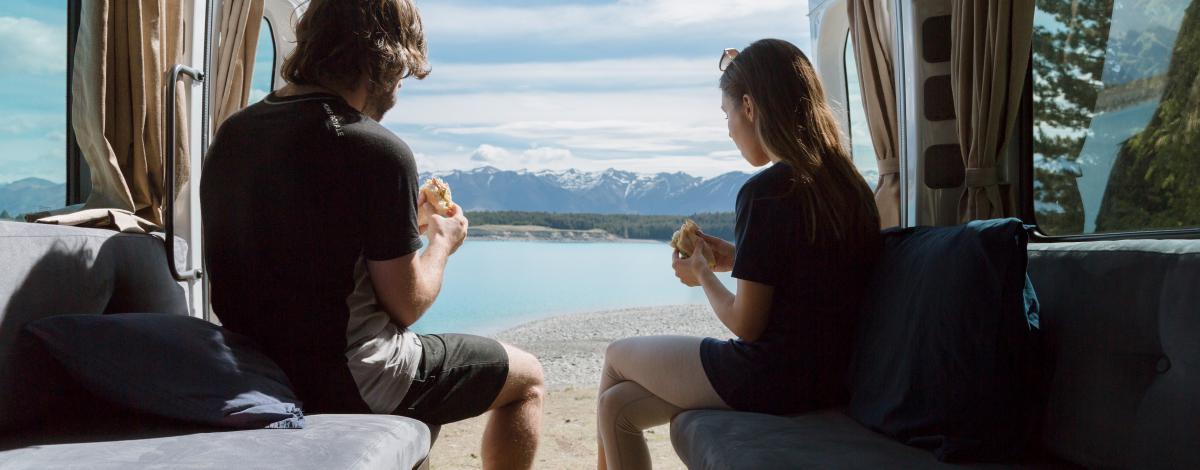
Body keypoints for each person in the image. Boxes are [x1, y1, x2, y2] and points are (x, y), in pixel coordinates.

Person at [200, 1, 543, 468]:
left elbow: (304, 244)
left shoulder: (233, 133)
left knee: (432, 407)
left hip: (250, 368)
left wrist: (402, 227)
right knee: (528, 378)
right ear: (386, 59)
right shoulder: (376, 149)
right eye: (404, 74)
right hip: (348, 377)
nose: (401, 89)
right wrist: (442, 240)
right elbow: (407, 305)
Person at [595, 38, 882, 469]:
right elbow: (808, 273)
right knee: (617, 406)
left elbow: (747, 326)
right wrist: (735, 258)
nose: (728, 127)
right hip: (828, 378)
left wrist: (702, 276)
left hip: (769, 379)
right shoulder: (850, 187)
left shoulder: (765, 192)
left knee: (616, 354)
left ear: (749, 106)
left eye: (727, 112)